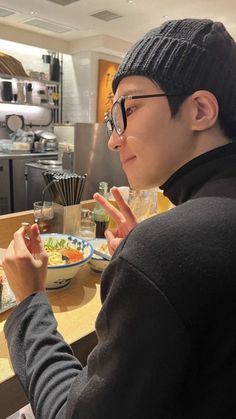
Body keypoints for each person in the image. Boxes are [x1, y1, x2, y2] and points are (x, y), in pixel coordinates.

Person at [3, 18, 236, 418]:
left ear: (200, 109)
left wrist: (28, 301)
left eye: (128, 109)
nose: (113, 138)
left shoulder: (164, 251)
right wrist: (152, 247)